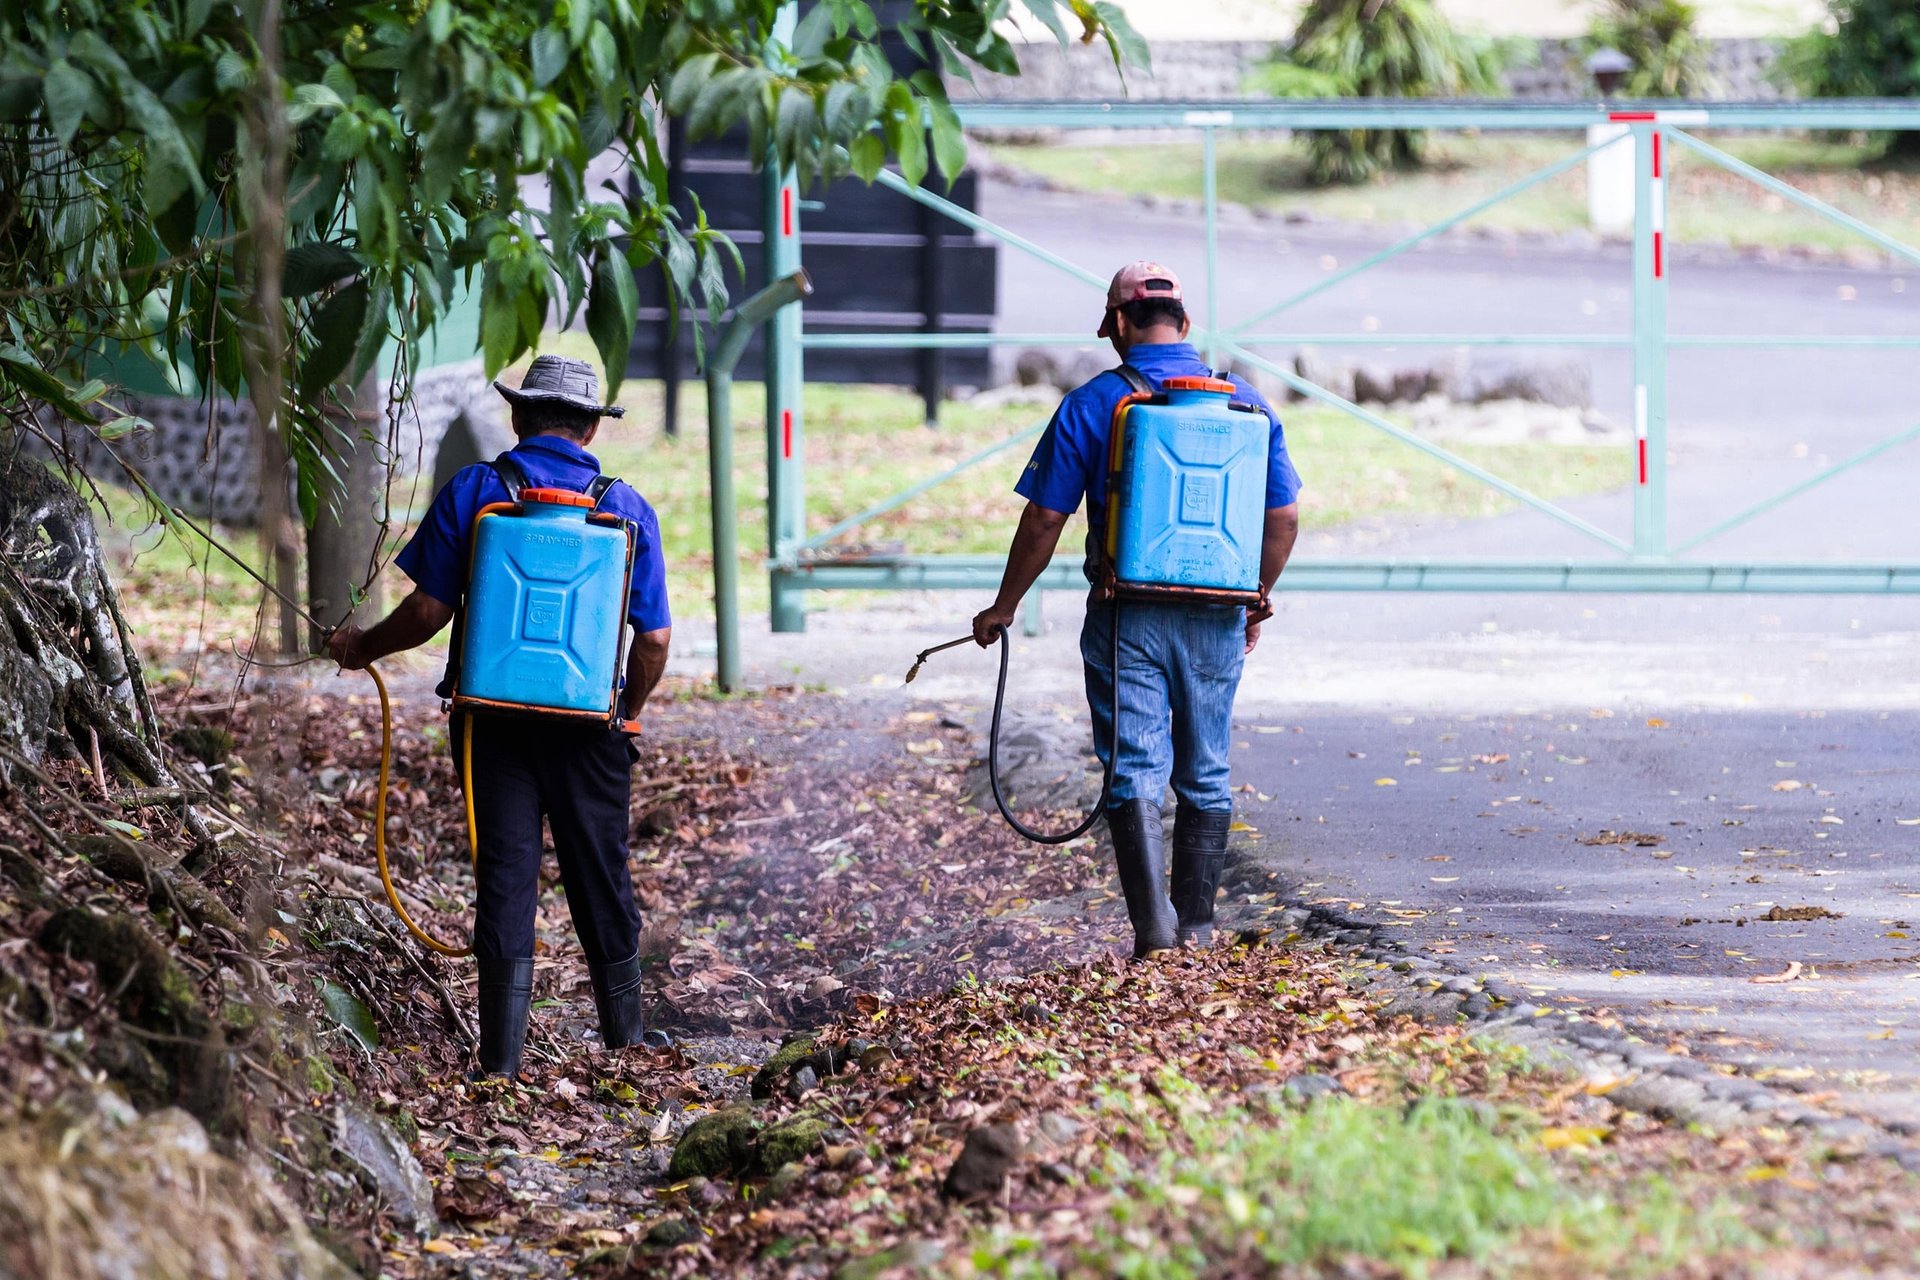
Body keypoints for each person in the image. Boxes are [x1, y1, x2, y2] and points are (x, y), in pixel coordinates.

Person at [326, 355, 673, 1077]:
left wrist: (363, 647)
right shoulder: (626, 508)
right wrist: (627, 716)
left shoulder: (479, 490)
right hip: (591, 730)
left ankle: (500, 1064)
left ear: (519, 417)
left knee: (506, 875)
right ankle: (628, 1045)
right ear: (587, 428)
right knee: (599, 874)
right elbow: (656, 637)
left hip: (493, 727)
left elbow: (427, 611)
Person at [971, 262, 1301, 958]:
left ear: (1118, 324)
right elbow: (1284, 517)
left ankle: (1155, 934)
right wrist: (1256, 600)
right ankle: (1200, 930)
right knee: (1206, 766)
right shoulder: (1246, 405)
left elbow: (1043, 521)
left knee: (1134, 767)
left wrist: (1004, 606)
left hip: (1128, 615)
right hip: (1217, 614)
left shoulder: (1094, 404)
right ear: (1184, 322)